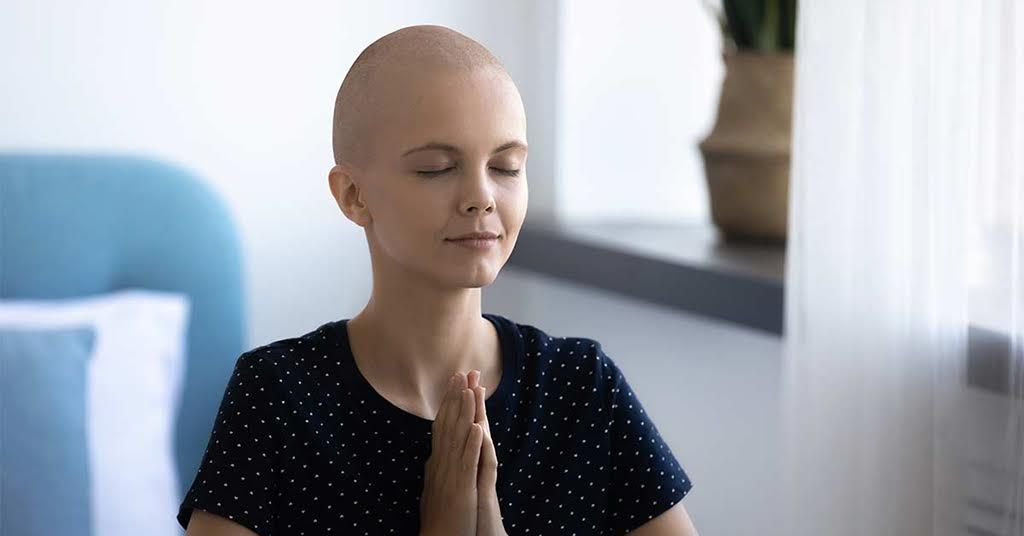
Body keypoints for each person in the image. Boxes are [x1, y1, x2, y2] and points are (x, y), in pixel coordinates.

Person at [177, 24, 697, 536]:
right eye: (436, 168)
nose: (481, 196)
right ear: (354, 195)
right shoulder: (277, 396)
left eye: (507, 166)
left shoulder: (583, 389)